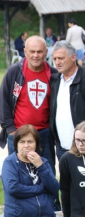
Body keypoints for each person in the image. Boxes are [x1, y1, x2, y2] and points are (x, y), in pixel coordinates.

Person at [0, 36, 57, 176]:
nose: (35, 55)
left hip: (45, 133)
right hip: (18, 133)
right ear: (25, 52)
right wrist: (11, 130)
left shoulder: (53, 74)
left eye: (39, 52)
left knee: (47, 172)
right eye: (32, 51)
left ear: (46, 52)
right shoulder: (14, 72)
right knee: (19, 174)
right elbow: (3, 101)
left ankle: (52, 199)